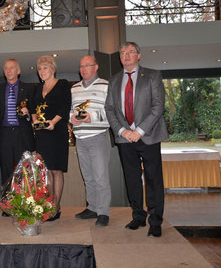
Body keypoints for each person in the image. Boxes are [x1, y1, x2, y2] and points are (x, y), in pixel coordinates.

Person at [105, 42, 168, 237]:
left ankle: (155, 221)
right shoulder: (114, 80)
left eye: (131, 52)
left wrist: (139, 130)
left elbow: (158, 106)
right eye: (123, 52)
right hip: (125, 139)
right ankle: (138, 217)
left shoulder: (152, 75)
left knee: (153, 179)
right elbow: (110, 109)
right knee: (131, 179)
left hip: (148, 136)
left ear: (139, 55)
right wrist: (122, 131)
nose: (126, 55)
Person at [70, 55, 111, 227]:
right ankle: (92, 207)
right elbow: (72, 110)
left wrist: (91, 117)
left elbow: (111, 111)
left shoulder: (105, 85)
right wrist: (72, 118)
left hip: (98, 137)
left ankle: (103, 212)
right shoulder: (75, 88)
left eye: (87, 65)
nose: (84, 69)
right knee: (88, 177)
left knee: (100, 177)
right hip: (80, 138)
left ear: (96, 67)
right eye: (81, 66)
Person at [0, 59, 34, 216]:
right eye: (6, 68)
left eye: (12, 68)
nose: (9, 71)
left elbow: (35, 111)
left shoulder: (29, 88)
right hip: (4, 134)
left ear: (18, 71)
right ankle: (8, 205)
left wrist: (29, 114)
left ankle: (25, 203)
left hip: (23, 134)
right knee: (7, 171)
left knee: (24, 171)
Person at [31, 55, 71, 222]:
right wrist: (34, 121)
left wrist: (53, 122)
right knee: (45, 171)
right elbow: (32, 107)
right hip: (41, 135)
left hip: (57, 132)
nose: (42, 72)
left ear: (53, 69)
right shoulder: (36, 89)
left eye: (45, 68)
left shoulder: (62, 84)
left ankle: (56, 207)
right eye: (40, 69)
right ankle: (47, 205)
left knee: (56, 170)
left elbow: (65, 106)